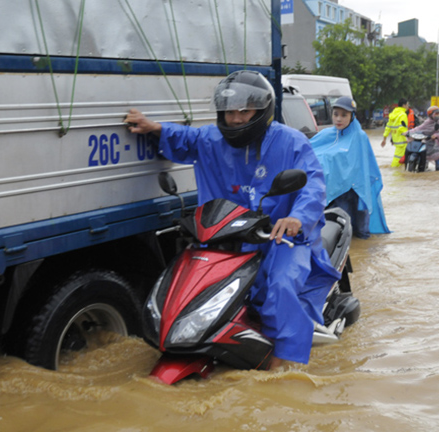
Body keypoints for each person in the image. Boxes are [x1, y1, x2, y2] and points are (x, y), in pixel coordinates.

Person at [124, 70, 341, 368]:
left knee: (280, 286)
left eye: (244, 111)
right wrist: (154, 127)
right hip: (227, 238)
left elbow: (313, 185)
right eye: (229, 112)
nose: (236, 119)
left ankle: (284, 362)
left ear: (262, 111)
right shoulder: (211, 138)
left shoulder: (291, 142)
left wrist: (296, 218)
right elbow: (185, 138)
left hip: (280, 239)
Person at [310, 96, 390, 239]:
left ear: (352, 116)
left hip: (353, 192)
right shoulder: (325, 135)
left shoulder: (359, 136)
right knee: (333, 231)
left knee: (356, 232)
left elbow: (361, 165)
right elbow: (307, 152)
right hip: (331, 191)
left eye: (344, 115)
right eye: (336, 114)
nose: (339, 119)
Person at [406, 105, 439, 170]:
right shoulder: (427, 122)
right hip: (431, 144)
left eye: (438, 113)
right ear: (431, 115)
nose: (438, 115)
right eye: (436, 113)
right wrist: (408, 132)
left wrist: (437, 135)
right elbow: (419, 128)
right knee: (428, 157)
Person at [381, 98, 409, 167]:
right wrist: (408, 137)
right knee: (397, 161)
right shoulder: (403, 115)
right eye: (407, 105)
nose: (408, 106)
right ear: (403, 105)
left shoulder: (393, 114)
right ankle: (395, 174)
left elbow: (388, 127)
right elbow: (402, 128)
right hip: (402, 141)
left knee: (402, 160)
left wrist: (384, 139)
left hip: (396, 140)